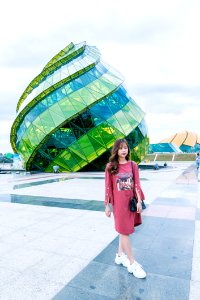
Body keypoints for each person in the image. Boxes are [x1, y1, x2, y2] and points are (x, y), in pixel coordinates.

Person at [104, 138, 146, 279]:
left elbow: (137, 185)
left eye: (126, 148)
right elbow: (108, 187)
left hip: (131, 204)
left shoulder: (133, 165)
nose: (124, 150)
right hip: (119, 205)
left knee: (123, 232)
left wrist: (139, 201)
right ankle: (132, 264)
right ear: (116, 150)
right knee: (124, 232)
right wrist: (107, 206)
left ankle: (120, 256)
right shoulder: (110, 167)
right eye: (121, 148)